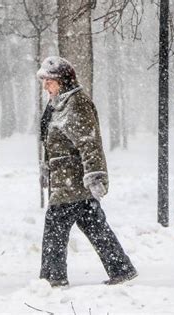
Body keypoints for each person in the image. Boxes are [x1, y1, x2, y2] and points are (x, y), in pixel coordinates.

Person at [37, 56, 138, 287]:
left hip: (72, 181)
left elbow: (89, 143)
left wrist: (96, 177)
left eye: (49, 81)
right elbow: (51, 141)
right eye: (44, 81)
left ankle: (52, 279)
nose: (45, 86)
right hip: (65, 180)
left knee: (55, 227)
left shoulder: (77, 104)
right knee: (94, 224)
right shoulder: (56, 105)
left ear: (62, 81)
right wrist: (46, 167)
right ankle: (121, 268)